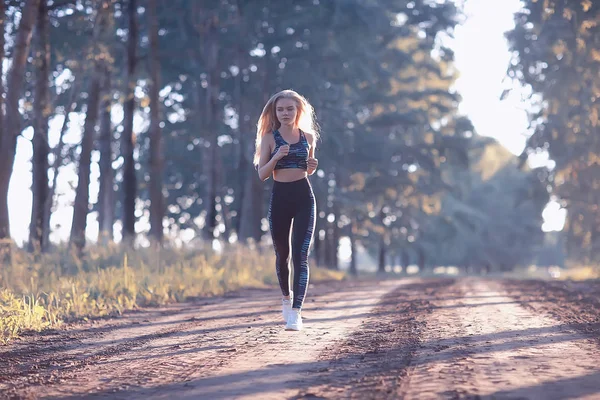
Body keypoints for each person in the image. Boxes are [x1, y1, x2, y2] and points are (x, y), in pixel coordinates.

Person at [254, 89, 319, 331]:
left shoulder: (308, 137)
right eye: (280, 109)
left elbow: (308, 168)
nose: (285, 113)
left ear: (298, 110)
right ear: (275, 112)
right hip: (280, 198)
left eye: (290, 109)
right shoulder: (270, 138)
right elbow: (262, 174)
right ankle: (285, 298)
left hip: (304, 196)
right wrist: (276, 157)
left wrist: (312, 166)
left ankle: (296, 313)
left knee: (301, 255)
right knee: (283, 255)